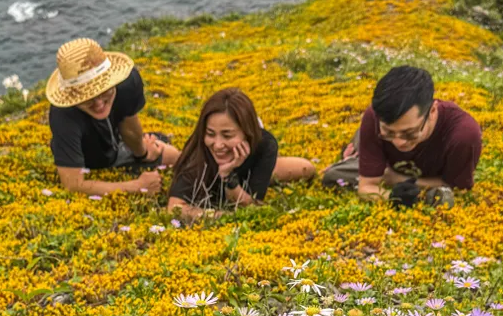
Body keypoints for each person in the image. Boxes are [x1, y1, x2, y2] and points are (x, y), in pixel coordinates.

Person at [321, 66, 482, 207]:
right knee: (333, 176)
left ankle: (356, 154)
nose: (399, 142)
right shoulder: (374, 117)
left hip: (392, 170)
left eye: (409, 133)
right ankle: (356, 151)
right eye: (389, 133)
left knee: (340, 174)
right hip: (385, 163)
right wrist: (394, 198)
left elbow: (458, 186)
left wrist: (395, 178)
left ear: (432, 112)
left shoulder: (463, 135)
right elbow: (367, 186)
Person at [46, 37, 180, 197]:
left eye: (103, 90)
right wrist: (137, 186)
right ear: (72, 98)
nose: (99, 103)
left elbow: (129, 128)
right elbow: (73, 184)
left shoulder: (127, 83)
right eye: (87, 98)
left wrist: (144, 153)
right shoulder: (63, 114)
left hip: (118, 144)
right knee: (169, 155)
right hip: (92, 163)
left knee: (174, 155)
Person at [167, 88, 315, 220]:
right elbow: (175, 208)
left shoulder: (264, 144)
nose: (217, 145)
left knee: (306, 168)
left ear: (247, 132)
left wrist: (228, 177)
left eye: (227, 135)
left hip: (243, 172)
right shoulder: (198, 150)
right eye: (210, 134)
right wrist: (222, 216)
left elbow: (249, 206)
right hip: (215, 183)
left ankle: (264, 174)